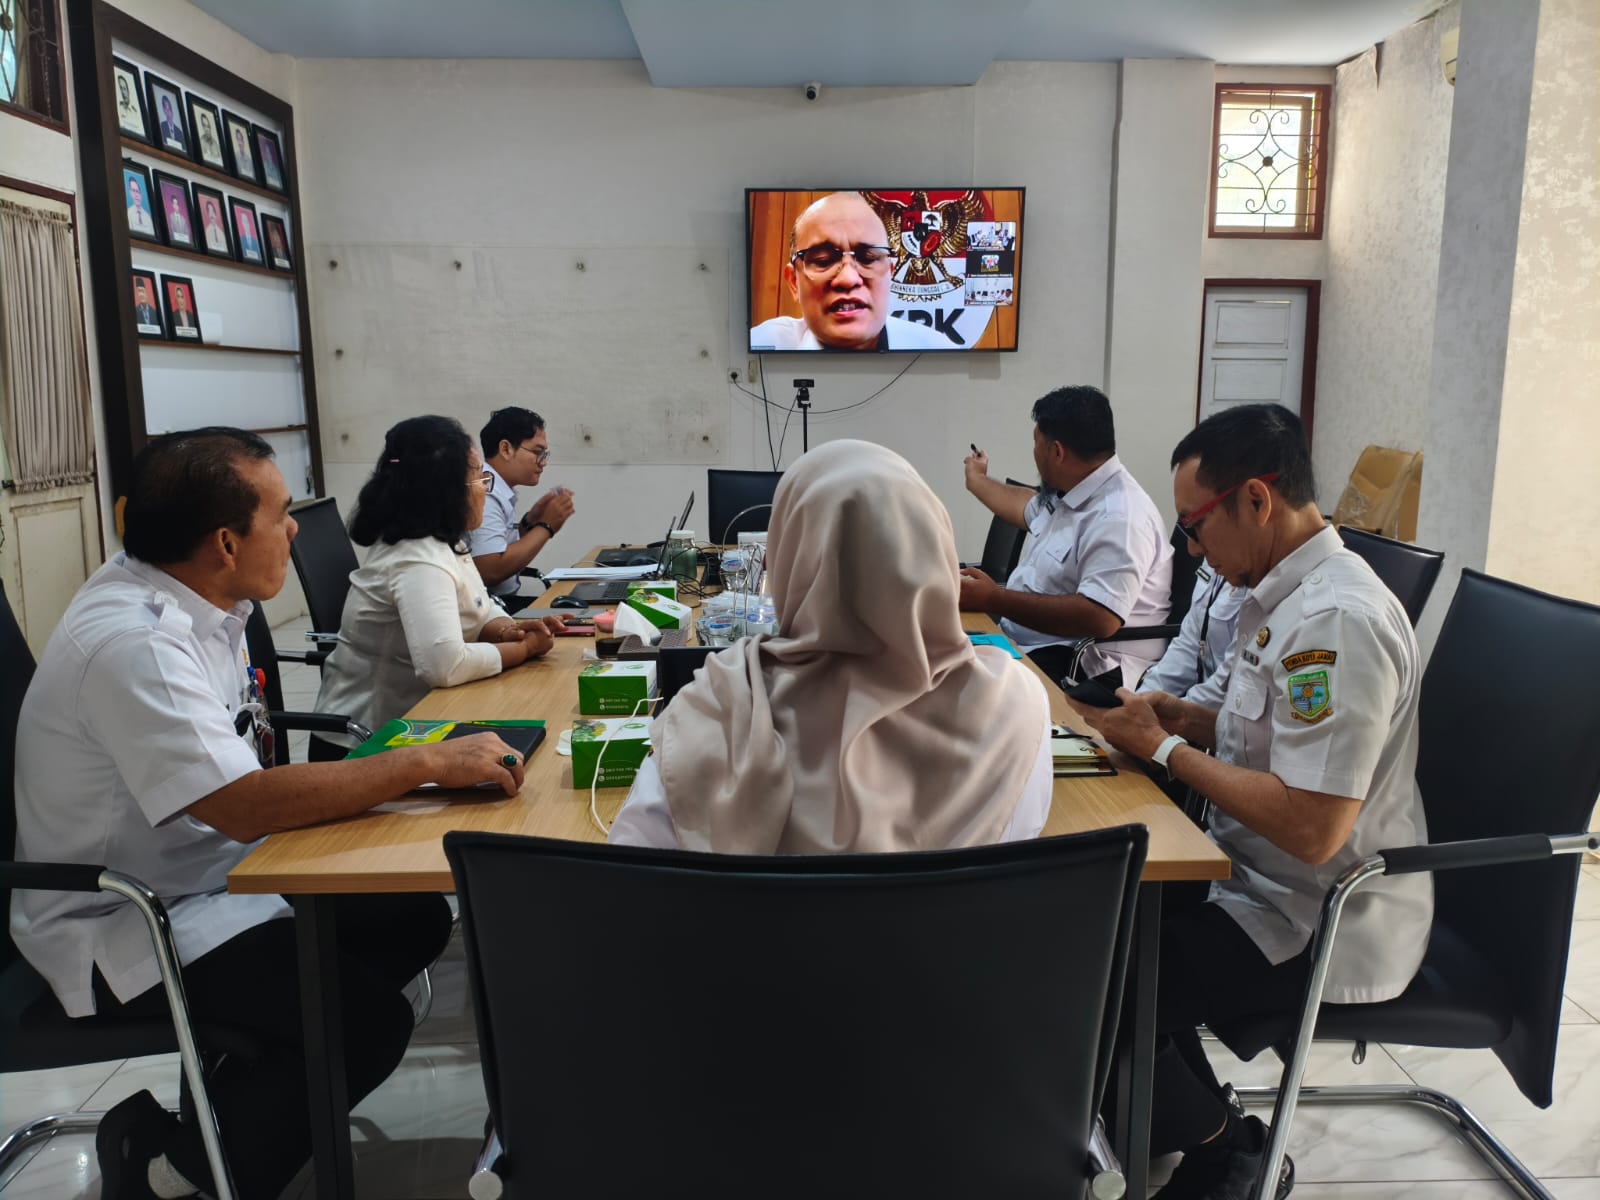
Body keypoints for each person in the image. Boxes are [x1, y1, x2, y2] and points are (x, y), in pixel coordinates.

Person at [11, 428, 528, 1200]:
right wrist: (421, 762)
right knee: (363, 1025)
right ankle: (162, 1175)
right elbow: (245, 806)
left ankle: (254, 1083)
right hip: (128, 922)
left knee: (411, 918)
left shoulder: (201, 599)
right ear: (224, 541)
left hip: (208, 875)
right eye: (282, 514)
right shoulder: (136, 643)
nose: (296, 529)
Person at [1081, 404, 1431, 1200]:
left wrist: (1165, 751)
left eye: (1195, 527)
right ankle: (1195, 1121)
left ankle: (1228, 1149)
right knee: (1091, 931)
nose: (1194, 549)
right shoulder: (1281, 599)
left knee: (1093, 988)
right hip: (1250, 876)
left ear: (1256, 501)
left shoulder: (1336, 620)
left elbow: (1313, 827)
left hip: (1315, 914)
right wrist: (1187, 719)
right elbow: (1269, 737)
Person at [609, 439, 1053, 852]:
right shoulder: (1016, 707)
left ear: (786, 558)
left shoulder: (711, 717)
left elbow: (634, 879)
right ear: (936, 548)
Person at [311, 416, 559, 760]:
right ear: (445, 489)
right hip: (361, 745)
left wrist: (509, 630)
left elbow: (481, 604)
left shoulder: (443, 541)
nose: (484, 490)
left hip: (416, 727)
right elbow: (445, 665)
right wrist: (525, 649)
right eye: (477, 478)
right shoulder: (416, 558)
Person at [959, 385, 1172, 688]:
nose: (1033, 453)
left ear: (1057, 452)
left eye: (1036, 444)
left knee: (953, 686)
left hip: (1081, 666)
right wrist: (976, 480)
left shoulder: (1119, 517)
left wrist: (995, 598)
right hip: (1027, 643)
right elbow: (1024, 506)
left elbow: (1100, 617)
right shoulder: (1075, 490)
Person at [748, 191, 951, 351]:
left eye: (867, 259)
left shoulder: (939, 354)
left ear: (890, 274)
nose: (848, 278)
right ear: (793, 283)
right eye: (823, 261)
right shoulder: (760, 345)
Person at [468, 406, 575, 614]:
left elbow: (498, 548)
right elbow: (490, 569)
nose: (543, 462)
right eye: (537, 452)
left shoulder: (496, 487)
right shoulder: (486, 491)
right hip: (490, 610)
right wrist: (546, 527)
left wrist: (529, 523)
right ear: (506, 449)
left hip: (498, 604)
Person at [1135, 566, 1248, 708]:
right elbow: (1188, 644)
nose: (1193, 551)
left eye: (1196, 541)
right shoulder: (1212, 556)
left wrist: (1178, 713)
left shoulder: (1256, 576)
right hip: (1195, 699)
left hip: (1226, 711)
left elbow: (1228, 684)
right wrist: (1140, 701)